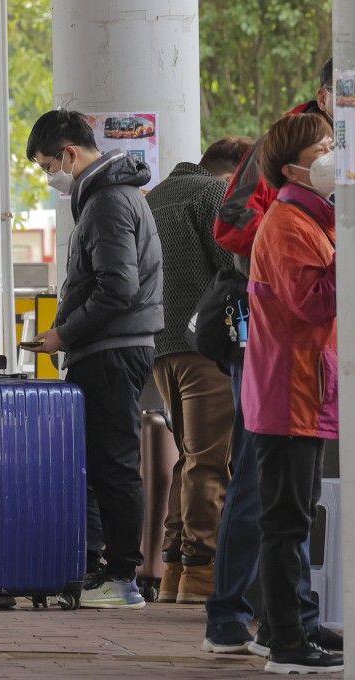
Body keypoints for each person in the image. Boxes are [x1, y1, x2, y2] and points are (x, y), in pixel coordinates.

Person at [203, 59, 341, 657]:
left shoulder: (319, 194)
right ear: (323, 95)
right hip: (278, 362)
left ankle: (295, 620)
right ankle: (237, 615)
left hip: (310, 372)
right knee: (267, 492)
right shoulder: (285, 155)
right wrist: (293, 227)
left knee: (295, 502)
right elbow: (230, 227)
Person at [24, 109, 164, 609]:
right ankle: (109, 569)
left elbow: (117, 289)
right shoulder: (108, 197)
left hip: (110, 349)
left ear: (70, 153)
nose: (50, 177)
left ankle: (122, 576)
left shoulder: (106, 202)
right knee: (106, 461)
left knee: (115, 463)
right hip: (112, 346)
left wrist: (64, 332)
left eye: (47, 166)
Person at [243, 113, 341, 675]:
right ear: (293, 169)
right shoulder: (285, 225)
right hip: (288, 393)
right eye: (323, 146)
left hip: (305, 389)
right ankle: (285, 641)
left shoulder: (315, 220)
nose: (333, 153)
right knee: (285, 523)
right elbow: (312, 302)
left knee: (296, 519)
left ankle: (300, 621)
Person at [144, 136, 252, 605]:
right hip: (205, 347)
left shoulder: (158, 196)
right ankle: (202, 572)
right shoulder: (212, 195)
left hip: (162, 347)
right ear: (231, 173)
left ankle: (173, 570)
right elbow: (235, 264)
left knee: (189, 458)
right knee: (212, 462)